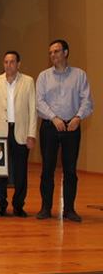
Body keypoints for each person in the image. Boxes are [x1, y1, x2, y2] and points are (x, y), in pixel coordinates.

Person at [36, 39, 93, 222]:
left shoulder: (80, 75)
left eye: (57, 51)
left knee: (70, 170)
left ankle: (69, 209)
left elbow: (87, 100)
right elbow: (39, 102)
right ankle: (45, 208)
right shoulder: (44, 76)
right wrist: (54, 118)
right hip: (50, 127)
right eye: (50, 52)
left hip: (72, 127)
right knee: (47, 169)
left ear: (66, 52)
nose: (53, 55)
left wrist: (78, 117)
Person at [0, 51, 37, 217]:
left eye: (12, 62)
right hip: (1, 131)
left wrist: (31, 134)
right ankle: (1, 205)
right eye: (6, 62)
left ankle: (18, 205)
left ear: (18, 64)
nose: (8, 65)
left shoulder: (28, 81)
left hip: (21, 131)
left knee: (20, 171)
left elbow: (32, 110)